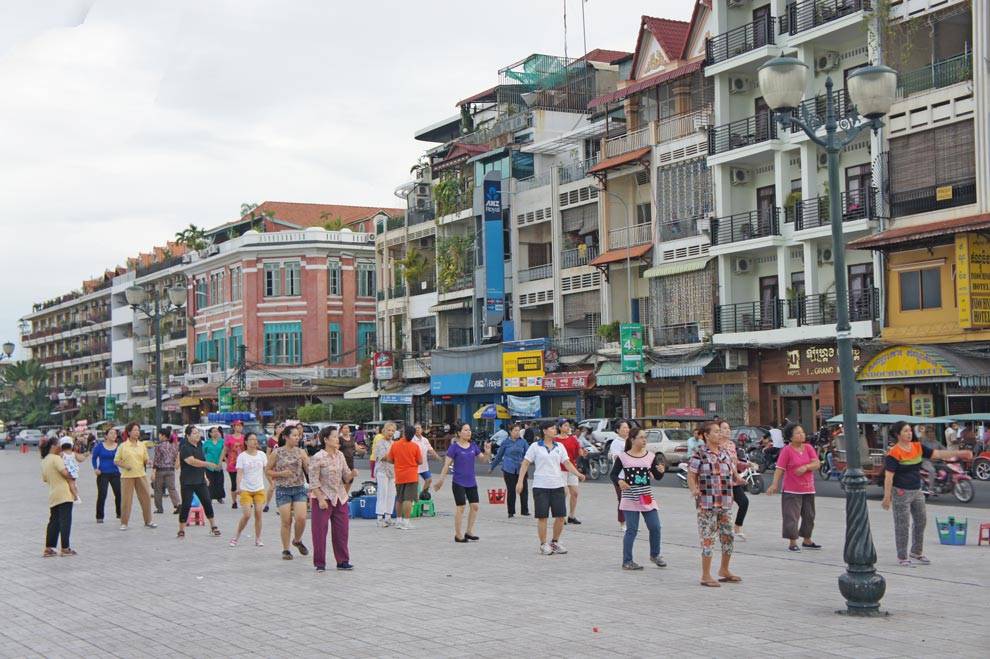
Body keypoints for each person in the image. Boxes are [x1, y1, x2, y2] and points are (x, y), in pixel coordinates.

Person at [882, 421, 972, 566]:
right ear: (898, 434)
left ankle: (916, 552)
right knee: (902, 525)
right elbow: (889, 476)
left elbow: (938, 453)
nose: (909, 433)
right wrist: (887, 497)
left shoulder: (917, 447)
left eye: (910, 430)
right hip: (901, 492)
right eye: (905, 431)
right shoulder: (894, 453)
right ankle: (902, 556)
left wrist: (960, 453)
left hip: (917, 491)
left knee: (921, 521)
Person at [516, 420, 585, 555]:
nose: (555, 431)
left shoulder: (559, 446)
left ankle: (555, 542)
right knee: (543, 517)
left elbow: (567, 463)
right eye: (552, 429)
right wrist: (520, 482)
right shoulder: (535, 446)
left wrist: (578, 474)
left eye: (555, 428)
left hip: (557, 485)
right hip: (540, 486)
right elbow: (525, 464)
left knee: (560, 516)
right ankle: (543, 544)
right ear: (545, 431)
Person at [687, 420, 739, 587]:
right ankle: (706, 575)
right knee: (708, 538)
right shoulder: (699, 454)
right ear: (706, 435)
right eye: (716, 431)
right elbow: (691, 475)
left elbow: (732, 471)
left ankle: (724, 569)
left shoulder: (725, 453)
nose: (720, 434)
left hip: (725, 502)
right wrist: (694, 489)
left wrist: (738, 478)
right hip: (707, 504)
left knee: (728, 536)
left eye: (720, 431)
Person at [611, 426, 666, 570]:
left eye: (645, 438)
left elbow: (658, 476)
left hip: (645, 496)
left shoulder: (650, 456)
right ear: (632, 439)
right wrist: (620, 481)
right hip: (629, 497)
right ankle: (627, 561)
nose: (644, 440)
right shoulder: (623, 457)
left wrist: (661, 471)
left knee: (655, 526)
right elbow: (613, 474)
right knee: (632, 530)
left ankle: (655, 555)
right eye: (641, 437)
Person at [766, 423, 821, 551]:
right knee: (791, 516)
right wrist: (774, 484)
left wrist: (806, 467)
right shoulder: (787, 450)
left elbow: (816, 463)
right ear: (790, 437)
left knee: (809, 515)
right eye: (798, 433)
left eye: (802, 432)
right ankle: (792, 542)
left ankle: (807, 540)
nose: (802, 434)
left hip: (808, 488)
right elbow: (780, 469)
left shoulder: (808, 448)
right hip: (792, 490)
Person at [433, 423, 492, 542]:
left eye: (469, 430)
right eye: (465, 430)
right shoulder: (454, 448)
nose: (469, 432)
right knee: (461, 507)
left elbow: (484, 460)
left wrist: (487, 452)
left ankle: (469, 531)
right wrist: (440, 480)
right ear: (459, 433)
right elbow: (446, 465)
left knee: (475, 506)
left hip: (471, 482)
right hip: (458, 482)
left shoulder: (473, 446)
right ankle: (458, 535)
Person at [308, 428, 356, 571]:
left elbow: (346, 477)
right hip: (322, 498)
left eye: (338, 437)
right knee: (319, 532)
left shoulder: (340, 455)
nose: (337, 439)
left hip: (340, 497)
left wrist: (353, 474)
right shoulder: (318, 457)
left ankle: (342, 561)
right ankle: (320, 563)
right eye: (334, 437)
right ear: (326, 440)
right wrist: (321, 499)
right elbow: (313, 481)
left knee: (342, 530)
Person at [266, 424, 310, 559]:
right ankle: (286, 550)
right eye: (294, 435)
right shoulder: (276, 452)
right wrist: (281, 474)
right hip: (283, 490)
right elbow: (267, 470)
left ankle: (297, 540)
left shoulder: (301, 452)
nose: (297, 438)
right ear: (286, 437)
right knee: (286, 521)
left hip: (299, 489)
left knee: (301, 518)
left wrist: (310, 466)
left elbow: (309, 471)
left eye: (298, 435)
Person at [176, 426, 221, 538]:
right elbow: (192, 462)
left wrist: (205, 476)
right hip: (187, 481)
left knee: (207, 502)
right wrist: (208, 464)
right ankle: (181, 529)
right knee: (186, 505)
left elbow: (201, 461)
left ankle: (213, 526)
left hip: (200, 480)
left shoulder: (200, 445)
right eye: (194, 433)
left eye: (198, 433)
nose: (197, 435)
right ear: (188, 436)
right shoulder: (185, 447)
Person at [114, 422, 156, 530]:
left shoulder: (142, 445)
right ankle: (124, 523)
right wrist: (125, 466)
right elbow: (116, 460)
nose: (137, 432)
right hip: (127, 476)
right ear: (129, 432)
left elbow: (145, 459)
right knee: (126, 500)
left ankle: (148, 521)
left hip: (141, 474)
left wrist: (149, 462)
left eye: (138, 430)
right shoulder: (123, 446)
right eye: (134, 430)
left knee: (146, 498)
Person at [231, 433, 268, 547]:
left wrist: (272, 482)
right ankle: (236, 536)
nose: (254, 441)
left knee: (258, 513)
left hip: (259, 488)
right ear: (246, 442)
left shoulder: (262, 455)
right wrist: (238, 487)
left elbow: (266, 470)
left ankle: (258, 538)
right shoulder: (242, 456)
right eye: (251, 439)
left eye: (255, 439)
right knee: (247, 515)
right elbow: (239, 473)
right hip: (245, 489)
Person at [41, 437, 75, 557]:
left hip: (53, 493)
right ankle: (65, 548)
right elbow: (65, 472)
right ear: (53, 446)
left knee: (54, 521)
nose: (61, 447)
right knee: (65, 521)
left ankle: (49, 548)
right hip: (64, 493)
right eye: (59, 445)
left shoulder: (44, 460)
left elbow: (45, 479)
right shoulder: (56, 459)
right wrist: (72, 476)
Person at [385, 424, 422, 530]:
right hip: (411, 475)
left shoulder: (395, 445)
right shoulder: (415, 446)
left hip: (399, 474)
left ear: (404, 433)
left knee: (400, 498)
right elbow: (420, 461)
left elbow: (389, 459)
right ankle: (406, 522)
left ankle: (398, 520)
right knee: (408, 499)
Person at [489, 422, 529, 517]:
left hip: (521, 469)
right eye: (515, 430)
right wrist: (492, 467)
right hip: (508, 469)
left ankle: (524, 510)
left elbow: (528, 454)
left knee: (524, 490)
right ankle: (511, 512)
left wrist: (524, 461)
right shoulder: (505, 443)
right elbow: (499, 456)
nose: (517, 432)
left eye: (518, 431)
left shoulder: (523, 442)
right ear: (510, 432)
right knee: (511, 491)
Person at [719, 420, 749, 541]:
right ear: (718, 431)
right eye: (724, 428)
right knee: (724, 508)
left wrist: (747, 465)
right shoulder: (716, 446)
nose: (728, 430)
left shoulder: (732, 444)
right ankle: (720, 530)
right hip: (721, 482)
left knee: (744, 502)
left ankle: (737, 527)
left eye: (729, 428)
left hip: (734, 480)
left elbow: (735, 463)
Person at [556, 419, 583, 525]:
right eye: (565, 426)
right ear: (560, 427)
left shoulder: (573, 439)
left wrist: (582, 453)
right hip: (560, 469)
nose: (568, 428)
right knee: (564, 493)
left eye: (569, 426)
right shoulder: (555, 440)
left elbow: (578, 453)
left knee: (575, 493)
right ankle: (561, 515)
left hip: (572, 468)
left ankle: (571, 516)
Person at [91, 427, 121, 523]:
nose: (114, 435)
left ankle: (120, 513)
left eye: (115, 434)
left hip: (115, 473)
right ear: (106, 436)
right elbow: (94, 458)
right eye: (111, 433)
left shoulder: (119, 446)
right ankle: (99, 516)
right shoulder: (100, 446)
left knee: (119, 493)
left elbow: (123, 458)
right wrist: (96, 468)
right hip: (103, 473)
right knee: (102, 494)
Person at [608, 420, 632, 531]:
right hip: (619, 475)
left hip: (631, 474)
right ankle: (622, 523)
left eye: (627, 427)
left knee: (631, 499)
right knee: (622, 499)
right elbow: (617, 457)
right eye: (624, 428)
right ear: (617, 430)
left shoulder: (631, 441)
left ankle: (631, 522)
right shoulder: (616, 443)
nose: (626, 430)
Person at [151, 427, 180, 515]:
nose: (159, 436)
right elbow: (176, 457)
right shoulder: (174, 446)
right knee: (172, 488)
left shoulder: (159, 446)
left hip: (160, 470)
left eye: (160, 435)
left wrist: (153, 471)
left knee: (158, 489)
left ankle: (159, 508)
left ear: (163, 436)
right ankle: (177, 505)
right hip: (171, 470)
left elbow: (157, 460)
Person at [371, 426, 395, 527]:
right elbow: (383, 457)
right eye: (389, 430)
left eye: (393, 431)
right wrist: (396, 457)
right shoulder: (379, 443)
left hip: (392, 471)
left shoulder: (393, 443)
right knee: (382, 493)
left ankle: (388, 517)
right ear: (383, 431)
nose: (390, 432)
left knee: (391, 494)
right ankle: (380, 518)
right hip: (382, 471)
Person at [220, 420, 246, 509]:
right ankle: (234, 502)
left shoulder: (245, 437)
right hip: (232, 463)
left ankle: (246, 500)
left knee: (245, 483)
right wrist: (220, 461)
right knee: (234, 484)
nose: (239, 427)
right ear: (234, 427)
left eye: (241, 426)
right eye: (237, 426)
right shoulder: (229, 437)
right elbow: (225, 450)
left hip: (244, 464)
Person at [412, 423, 439, 496]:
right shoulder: (411, 440)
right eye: (416, 428)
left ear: (422, 430)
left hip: (424, 466)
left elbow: (430, 449)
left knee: (429, 480)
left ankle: (423, 494)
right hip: (414, 466)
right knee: (415, 484)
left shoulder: (425, 440)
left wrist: (438, 457)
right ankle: (415, 498)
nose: (417, 429)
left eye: (419, 428)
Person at [202, 427, 226, 503]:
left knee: (219, 481)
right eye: (214, 431)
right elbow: (203, 452)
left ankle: (220, 497)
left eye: (217, 431)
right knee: (210, 481)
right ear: (210, 433)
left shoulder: (222, 441)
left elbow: (225, 452)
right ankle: (210, 497)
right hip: (209, 464)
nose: (216, 433)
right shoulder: (207, 443)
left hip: (218, 464)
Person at [61, 436, 81, 504]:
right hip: (74, 471)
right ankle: (74, 495)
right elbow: (80, 459)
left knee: (71, 483)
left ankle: (76, 497)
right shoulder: (73, 453)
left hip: (67, 471)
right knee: (73, 484)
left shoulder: (62, 454)